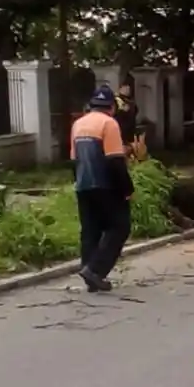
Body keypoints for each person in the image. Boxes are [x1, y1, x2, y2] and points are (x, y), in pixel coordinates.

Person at [69, 85, 135, 292]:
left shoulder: (78, 124)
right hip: (106, 186)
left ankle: (89, 272)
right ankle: (95, 271)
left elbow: (74, 160)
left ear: (91, 105)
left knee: (90, 230)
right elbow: (115, 161)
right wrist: (127, 189)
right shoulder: (109, 124)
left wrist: (79, 182)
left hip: (83, 185)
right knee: (120, 226)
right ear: (111, 107)